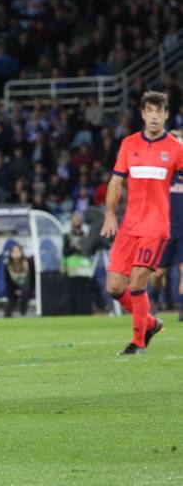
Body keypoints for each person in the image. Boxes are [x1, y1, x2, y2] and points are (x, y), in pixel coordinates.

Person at [100, 91, 183, 354]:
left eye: (160, 111)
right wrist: (110, 214)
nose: (155, 116)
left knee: (137, 283)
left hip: (156, 227)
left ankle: (137, 342)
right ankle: (150, 323)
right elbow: (116, 182)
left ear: (166, 115)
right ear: (143, 114)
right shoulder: (128, 144)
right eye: (150, 110)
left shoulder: (175, 149)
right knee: (114, 287)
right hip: (129, 226)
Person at [153, 129, 183, 321]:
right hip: (164, 228)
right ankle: (154, 301)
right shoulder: (162, 172)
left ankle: (182, 310)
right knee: (158, 273)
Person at [3, 244, 34, 317]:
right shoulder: (7, 265)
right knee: (11, 299)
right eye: (14, 252)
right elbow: (8, 280)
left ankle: (22, 313)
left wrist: (32, 289)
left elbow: (33, 278)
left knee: (25, 290)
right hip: (13, 287)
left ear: (21, 252)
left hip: (27, 287)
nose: (16, 254)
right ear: (10, 254)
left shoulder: (28, 263)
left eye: (18, 251)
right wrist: (15, 290)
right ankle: (7, 316)